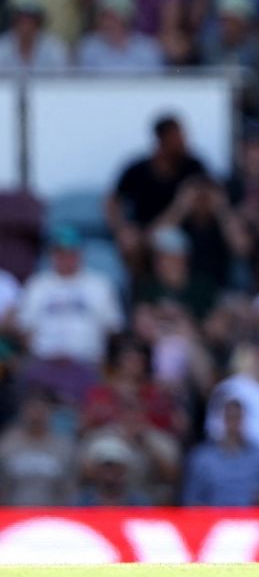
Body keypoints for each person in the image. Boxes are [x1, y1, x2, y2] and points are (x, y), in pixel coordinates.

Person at [17, 226, 124, 399]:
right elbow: (24, 329)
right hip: (44, 364)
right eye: (60, 253)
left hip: (86, 364)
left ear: (80, 254)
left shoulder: (99, 285)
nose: (66, 258)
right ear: (52, 255)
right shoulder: (37, 285)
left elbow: (113, 329)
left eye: (71, 252)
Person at [106, 114, 207, 268]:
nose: (183, 142)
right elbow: (112, 200)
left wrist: (179, 207)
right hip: (142, 232)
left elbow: (203, 202)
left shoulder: (194, 167)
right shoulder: (137, 170)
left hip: (184, 230)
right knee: (131, 243)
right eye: (177, 137)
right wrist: (121, 229)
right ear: (162, 140)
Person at [182, 397, 259, 506]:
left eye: (238, 418)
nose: (233, 424)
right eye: (229, 418)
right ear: (220, 421)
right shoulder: (202, 460)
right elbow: (192, 500)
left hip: (251, 515)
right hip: (213, 515)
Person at [76, 0, 165, 72]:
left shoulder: (147, 49)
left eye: (113, 17)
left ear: (126, 18)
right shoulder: (89, 48)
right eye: (104, 16)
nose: (107, 23)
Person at [0, 0, 69, 72]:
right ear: (14, 23)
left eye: (30, 22)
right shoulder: (3, 46)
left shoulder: (54, 48)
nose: (26, 27)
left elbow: (61, 76)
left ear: (39, 24)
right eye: (22, 21)